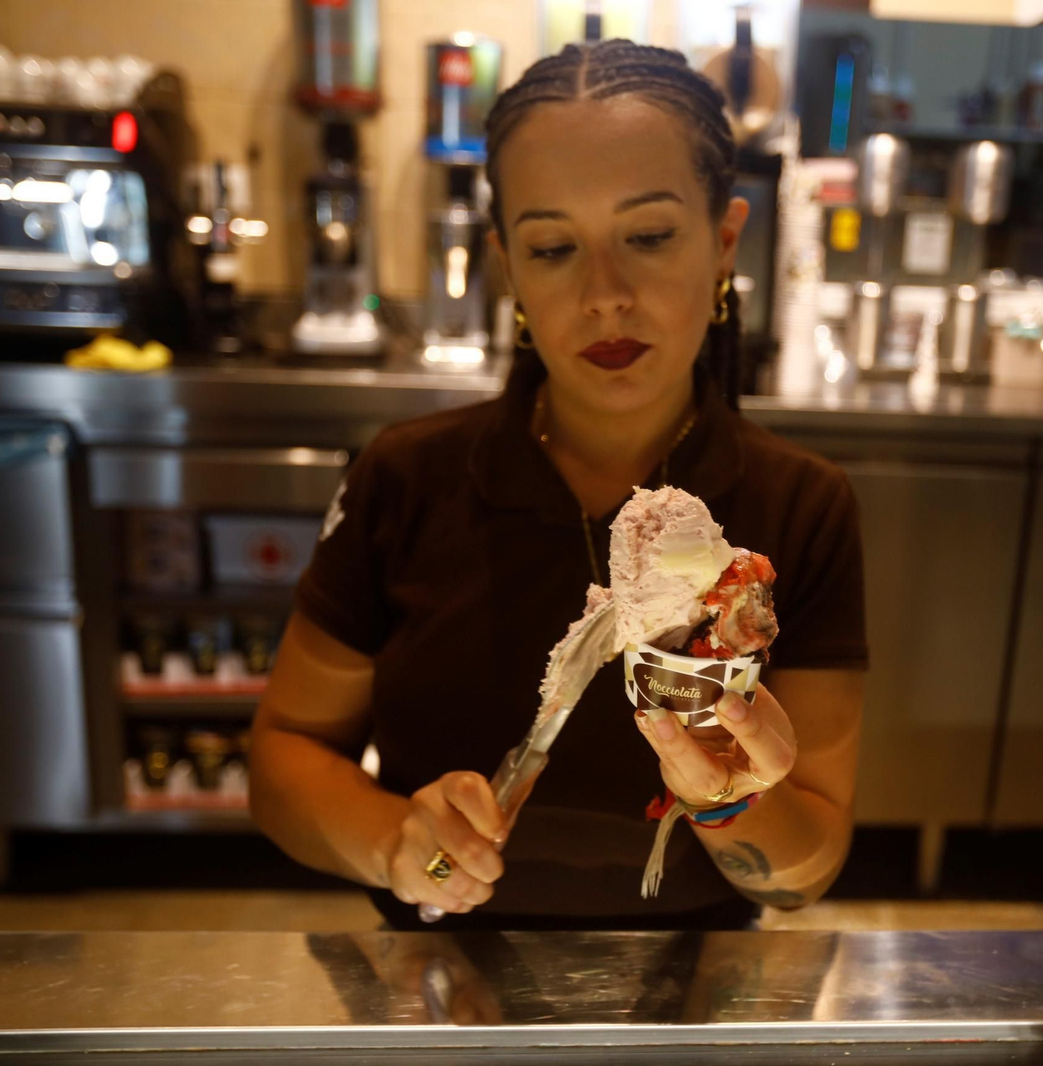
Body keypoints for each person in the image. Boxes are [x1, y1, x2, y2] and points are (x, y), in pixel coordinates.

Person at [250, 39, 867, 930]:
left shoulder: (801, 507)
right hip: (441, 982)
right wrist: (395, 840)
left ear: (725, 242)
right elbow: (284, 757)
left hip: (687, 993)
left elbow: (805, 872)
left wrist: (730, 801)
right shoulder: (407, 477)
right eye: (552, 248)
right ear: (508, 267)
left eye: (649, 236)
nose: (604, 294)